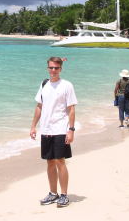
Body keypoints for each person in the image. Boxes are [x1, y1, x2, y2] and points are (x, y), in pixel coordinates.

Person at [30, 57, 77, 208]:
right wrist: (33, 126)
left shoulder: (66, 85)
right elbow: (39, 106)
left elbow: (71, 109)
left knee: (60, 161)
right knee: (49, 162)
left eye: (56, 68)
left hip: (60, 129)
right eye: (51, 68)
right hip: (46, 129)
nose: (53, 70)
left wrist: (71, 130)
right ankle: (52, 193)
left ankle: (64, 195)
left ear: (61, 69)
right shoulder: (44, 84)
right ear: (47, 68)